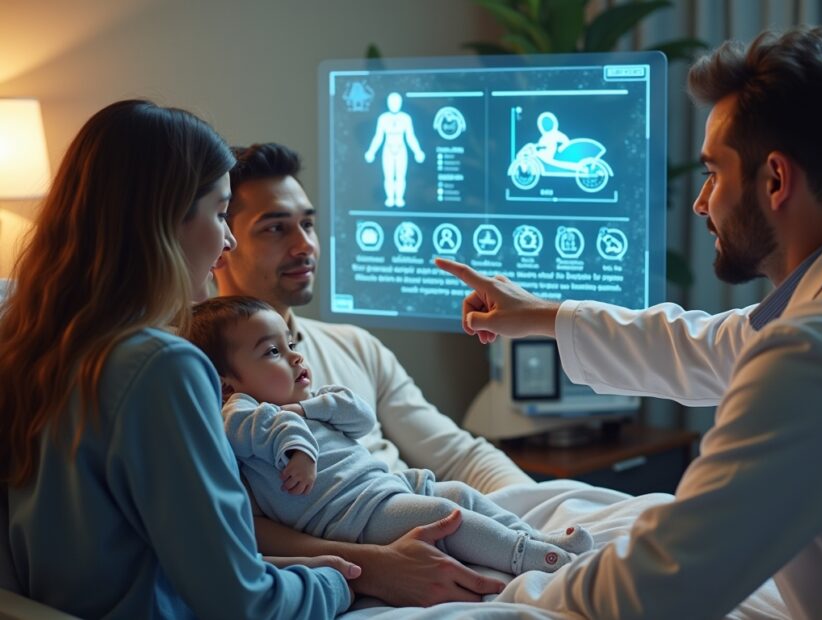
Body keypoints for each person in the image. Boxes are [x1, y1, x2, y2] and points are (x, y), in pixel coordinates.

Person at [437, 26, 822, 618]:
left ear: (775, 180)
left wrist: (508, 592)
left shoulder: (817, 354)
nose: (700, 203)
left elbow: (659, 587)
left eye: (714, 174)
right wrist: (542, 314)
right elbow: (700, 343)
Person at [0, 100, 356, 618]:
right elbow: (241, 600)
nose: (228, 239)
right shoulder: (163, 367)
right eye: (219, 212)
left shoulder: (36, 347)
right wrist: (341, 582)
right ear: (165, 220)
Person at [212, 141, 532, 605]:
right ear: (223, 243)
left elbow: (460, 456)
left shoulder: (354, 345)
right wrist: (372, 569)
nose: (304, 245)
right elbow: (237, 525)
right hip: (370, 564)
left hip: (437, 510)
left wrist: (528, 511)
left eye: (307, 224)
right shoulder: (209, 381)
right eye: (276, 228)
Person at [186, 296, 594, 576]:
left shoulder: (310, 402)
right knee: (446, 518)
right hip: (353, 517)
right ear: (226, 386)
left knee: (458, 495)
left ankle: (533, 537)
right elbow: (270, 430)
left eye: (290, 343)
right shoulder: (240, 412)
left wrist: (310, 406)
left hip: (388, 486)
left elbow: (360, 418)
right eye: (272, 352)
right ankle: (533, 558)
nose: (295, 355)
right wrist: (299, 446)